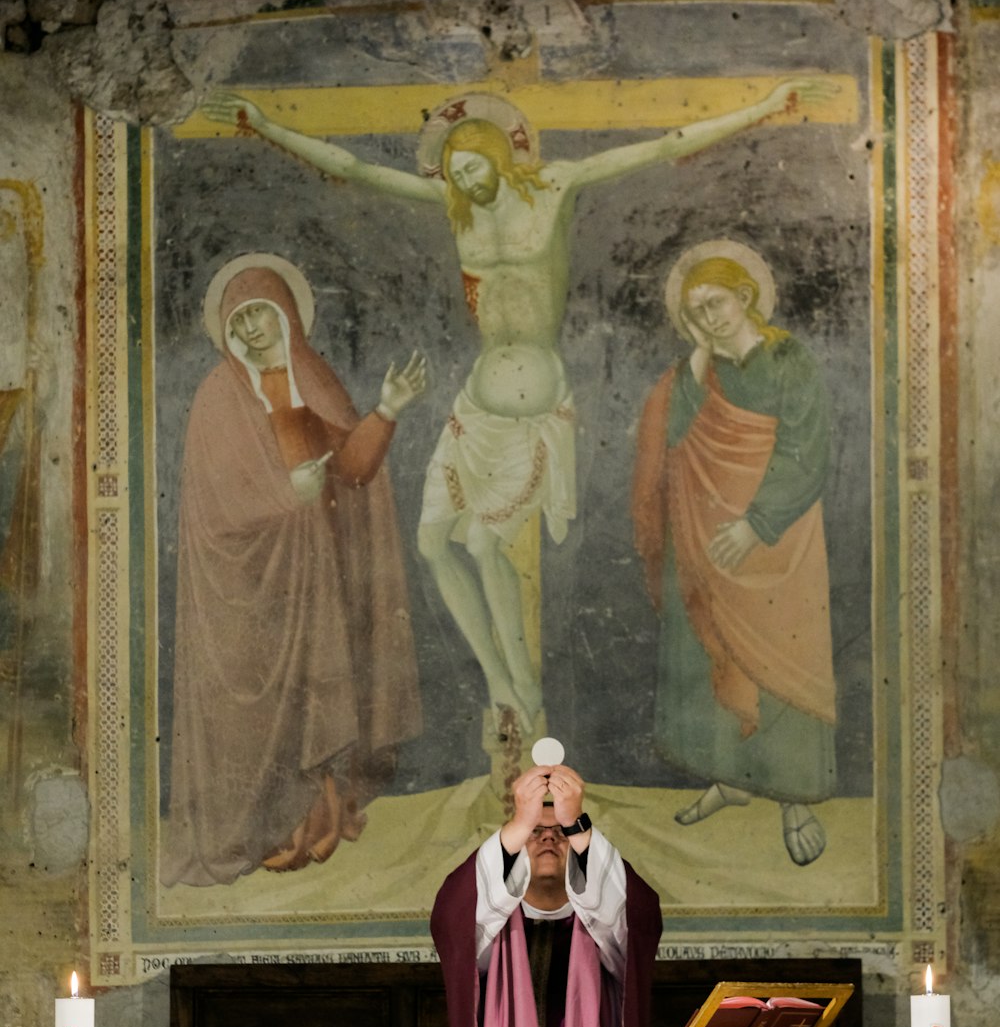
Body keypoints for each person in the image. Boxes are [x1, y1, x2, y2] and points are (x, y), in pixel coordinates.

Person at [202, 78, 837, 736]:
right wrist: (267, 125)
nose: (467, 180)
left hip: (532, 405)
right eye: (455, 173)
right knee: (431, 544)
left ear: (497, 157)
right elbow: (356, 168)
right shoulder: (456, 205)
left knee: (480, 540)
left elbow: (660, 146)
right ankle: (500, 681)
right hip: (476, 403)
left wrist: (762, 107)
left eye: (473, 165)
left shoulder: (555, 186)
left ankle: (527, 690)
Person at [161, 253, 427, 886]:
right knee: (254, 715)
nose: (255, 333)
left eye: (264, 318)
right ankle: (252, 829)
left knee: (317, 699)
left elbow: (353, 473)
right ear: (227, 331)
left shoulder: (313, 379)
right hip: (248, 589)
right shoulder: (215, 398)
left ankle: (309, 826)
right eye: (242, 323)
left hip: (317, 580)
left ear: (289, 319)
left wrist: (385, 412)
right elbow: (214, 509)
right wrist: (288, 500)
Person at [631, 241, 837, 866]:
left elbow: (808, 451)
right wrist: (695, 367)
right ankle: (729, 777)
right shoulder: (698, 372)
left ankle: (794, 797)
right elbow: (671, 447)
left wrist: (758, 523)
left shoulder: (787, 360)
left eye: (714, 304)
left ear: (745, 296)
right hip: (705, 539)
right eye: (694, 314)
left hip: (779, 544)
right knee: (710, 649)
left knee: (782, 659)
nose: (707, 320)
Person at [430, 762, 663, 1027]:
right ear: (517, 847)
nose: (549, 839)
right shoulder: (493, 924)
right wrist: (518, 823)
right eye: (536, 832)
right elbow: (450, 917)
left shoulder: (599, 920)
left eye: (561, 832)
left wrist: (579, 823)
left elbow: (640, 917)